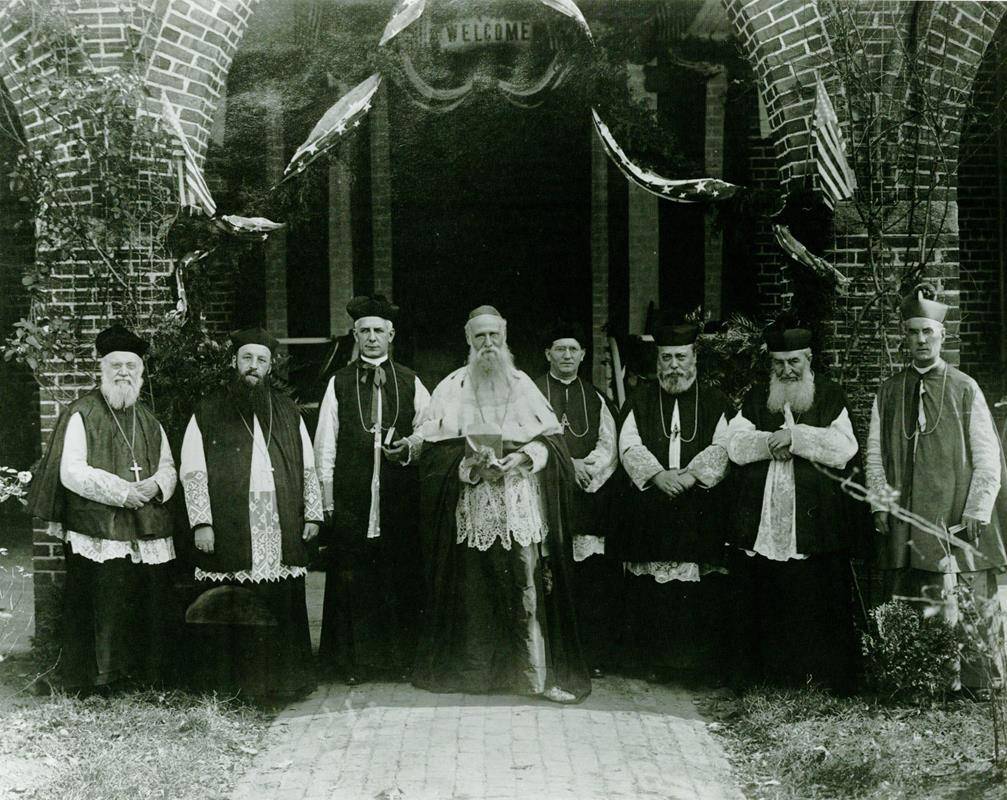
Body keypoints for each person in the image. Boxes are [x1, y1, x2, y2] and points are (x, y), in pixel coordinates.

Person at [412, 305, 591, 702]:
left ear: (505, 338)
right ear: (469, 341)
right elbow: (432, 449)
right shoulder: (450, 387)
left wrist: (524, 457)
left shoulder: (524, 384)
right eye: (480, 337)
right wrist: (466, 467)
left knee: (525, 587)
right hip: (472, 503)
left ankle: (532, 677)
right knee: (473, 590)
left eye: (495, 336)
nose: (488, 344)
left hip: (518, 498)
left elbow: (553, 443)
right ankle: (479, 675)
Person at [867, 285, 1007, 686]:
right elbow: (875, 453)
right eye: (913, 333)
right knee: (908, 595)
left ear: (942, 335)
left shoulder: (966, 388)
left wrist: (978, 508)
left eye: (928, 332)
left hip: (955, 516)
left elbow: (987, 456)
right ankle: (915, 682)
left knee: (967, 594)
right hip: (906, 517)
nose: (921, 340)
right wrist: (879, 502)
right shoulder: (890, 390)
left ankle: (975, 684)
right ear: (905, 337)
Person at [26, 324, 178, 692]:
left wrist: (155, 484)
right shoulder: (81, 413)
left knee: (143, 602)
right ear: (103, 370)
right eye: (115, 366)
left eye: (130, 366)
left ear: (141, 373)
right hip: (98, 528)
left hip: (143, 528)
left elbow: (168, 466)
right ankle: (96, 681)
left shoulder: (149, 419)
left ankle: (140, 676)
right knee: (100, 603)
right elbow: (72, 471)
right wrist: (123, 492)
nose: (123, 372)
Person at [179, 327, 323, 699]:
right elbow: (193, 471)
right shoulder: (208, 410)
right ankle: (232, 687)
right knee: (234, 603)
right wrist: (202, 522)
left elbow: (308, 466)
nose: (253, 366)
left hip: (281, 520)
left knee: (280, 601)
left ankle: (283, 685)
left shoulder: (288, 411)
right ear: (234, 362)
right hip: (230, 525)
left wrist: (312, 515)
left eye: (261, 360)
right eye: (247, 358)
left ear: (270, 366)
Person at [727, 324, 861, 691]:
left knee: (812, 600)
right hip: (766, 524)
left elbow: (843, 448)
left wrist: (797, 438)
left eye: (794, 361)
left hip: (814, 526)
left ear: (809, 359)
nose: (787, 370)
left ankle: (815, 680)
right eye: (779, 363)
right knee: (766, 599)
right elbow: (734, 444)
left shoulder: (830, 395)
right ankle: (766, 678)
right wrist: (771, 441)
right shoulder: (758, 398)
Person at [313, 295, 430, 684]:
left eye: (379, 330)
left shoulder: (410, 380)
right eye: (364, 331)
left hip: (397, 498)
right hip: (352, 498)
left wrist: (410, 449)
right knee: (353, 578)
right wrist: (327, 499)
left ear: (391, 334)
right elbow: (325, 443)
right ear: (355, 335)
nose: (372, 338)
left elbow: (431, 431)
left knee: (397, 575)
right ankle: (351, 665)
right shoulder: (339, 382)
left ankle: (398, 663)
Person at [613, 323, 732, 683]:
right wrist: (657, 475)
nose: (674, 365)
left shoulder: (715, 401)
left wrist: (692, 475)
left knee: (694, 591)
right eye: (667, 358)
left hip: (698, 506)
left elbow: (723, 446)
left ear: (695, 359)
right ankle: (655, 663)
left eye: (681, 357)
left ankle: (696, 666)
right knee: (654, 590)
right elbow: (629, 444)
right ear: (658, 362)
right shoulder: (641, 399)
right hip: (653, 504)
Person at [533, 322, 621, 678]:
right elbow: (529, 441)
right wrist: (570, 467)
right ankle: (549, 656)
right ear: (548, 354)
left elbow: (609, 444)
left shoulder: (596, 396)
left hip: (587, 499)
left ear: (583, 355)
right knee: (549, 574)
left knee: (587, 580)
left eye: (573, 350)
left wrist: (588, 472)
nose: (567, 356)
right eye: (560, 349)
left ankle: (588, 655)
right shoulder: (533, 393)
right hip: (546, 495)